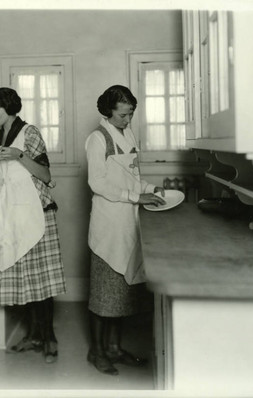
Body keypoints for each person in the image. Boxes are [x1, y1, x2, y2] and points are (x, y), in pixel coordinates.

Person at [0, 87, 66, 364]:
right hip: (15, 214)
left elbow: (45, 174)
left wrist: (19, 155)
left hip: (37, 213)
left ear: (9, 107)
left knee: (42, 281)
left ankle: (49, 338)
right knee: (27, 280)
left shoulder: (29, 133)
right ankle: (33, 336)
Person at [85, 85, 165, 375]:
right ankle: (96, 351)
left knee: (121, 294)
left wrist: (149, 188)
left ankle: (115, 349)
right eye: (122, 115)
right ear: (108, 111)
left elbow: (131, 178)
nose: (127, 120)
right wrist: (136, 196)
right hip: (108, 227)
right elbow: (99, 183)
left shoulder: (128, 135)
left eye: (130, 114)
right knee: (103, 294)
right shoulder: (97, 139)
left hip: (129, 223)